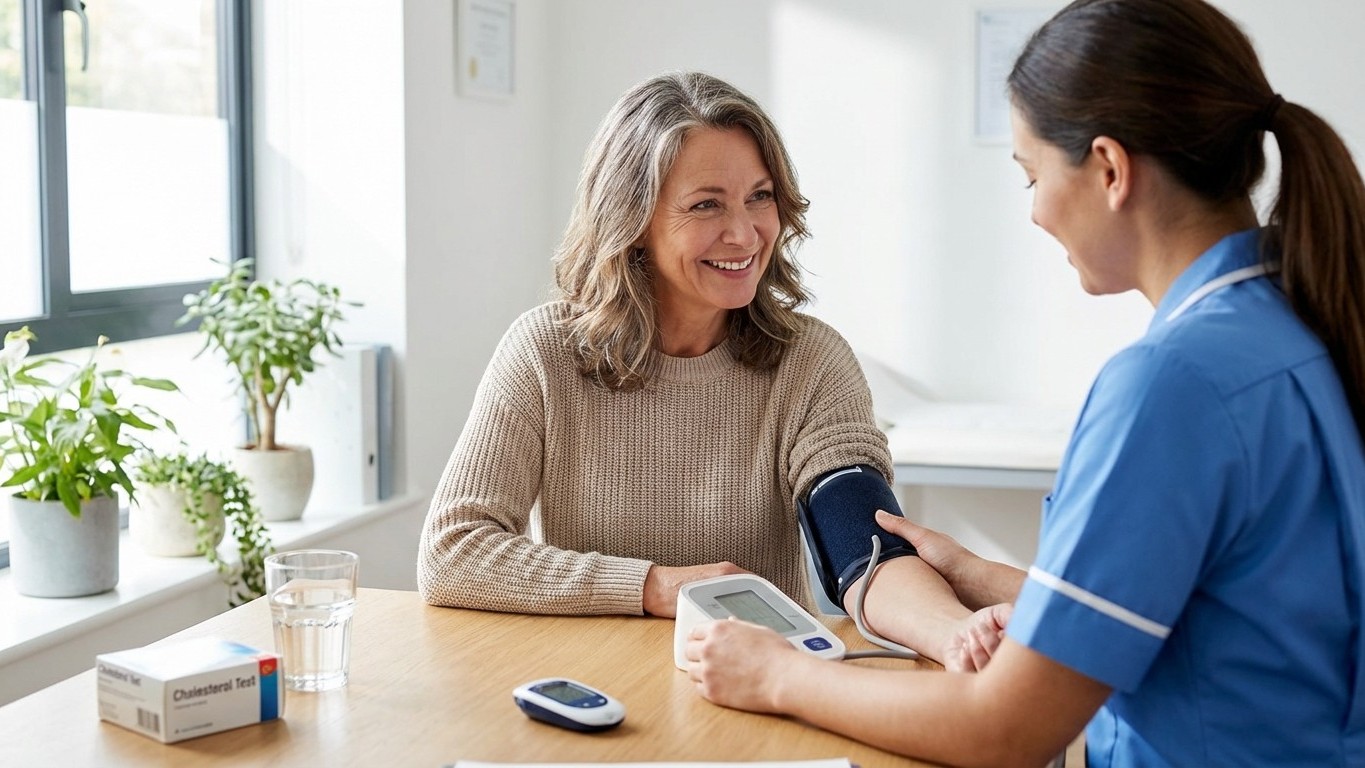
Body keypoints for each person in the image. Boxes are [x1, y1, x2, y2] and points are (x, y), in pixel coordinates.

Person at [685, 0, 1365, 764]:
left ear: (1109, 169)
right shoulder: (1302, 320)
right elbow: (1229, 615)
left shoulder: (1173, 385)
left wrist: (778, 675)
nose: (1036, 212)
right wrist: (975, 575)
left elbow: (1002, 729)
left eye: (1030, 175)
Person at [416, 71, 1002, 668]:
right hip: (591, 681)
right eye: (706, 204)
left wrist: (958, 635)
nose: (745, 232)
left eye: (760, 196)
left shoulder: (810, 361)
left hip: (760, 686)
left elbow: (863, 549)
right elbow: (452, 553)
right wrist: (655, 587)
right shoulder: (544, 352)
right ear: (633, 219)